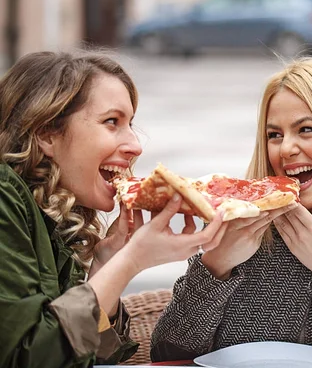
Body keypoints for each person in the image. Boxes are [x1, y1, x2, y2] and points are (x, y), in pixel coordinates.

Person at [151, 57, 312, 362]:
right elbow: (166, 353)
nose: (285, 149)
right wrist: (214, 266)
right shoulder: (238, 225)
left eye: (305, 129)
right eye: (274, 135)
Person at [0, 51, 227, 367]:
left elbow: (100, 358)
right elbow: (28, 359)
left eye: (130, 123)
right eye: (112, 122)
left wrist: (107, 264)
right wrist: (131, 262)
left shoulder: (53, 214)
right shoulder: (3, 198)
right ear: (46, 134)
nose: (136, 145)